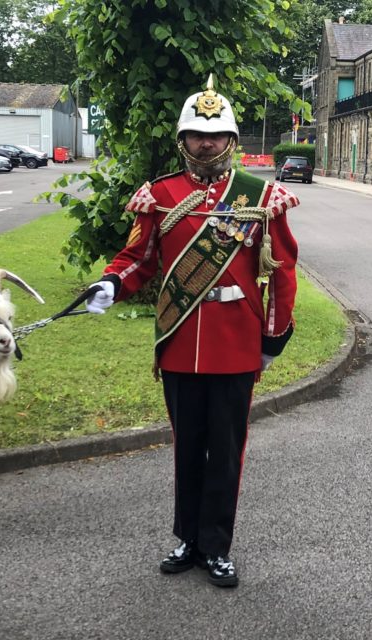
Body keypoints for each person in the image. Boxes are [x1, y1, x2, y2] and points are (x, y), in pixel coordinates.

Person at [84, 75, 300, 589]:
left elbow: (283, 269)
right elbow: (138, 259)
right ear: (182, 140)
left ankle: (217, 546)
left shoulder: (259, 196)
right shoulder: (159, 195)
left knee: (225, 451)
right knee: (187, 446)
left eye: (217, 134)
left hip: (235, 345)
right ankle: (187, 537)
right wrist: (112, 283)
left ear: (231, 139)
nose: (207, 143)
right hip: (180, 343)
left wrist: (272, 339)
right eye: (198, 135)